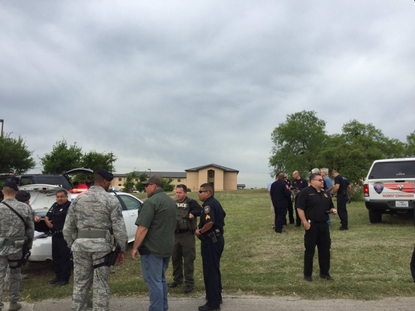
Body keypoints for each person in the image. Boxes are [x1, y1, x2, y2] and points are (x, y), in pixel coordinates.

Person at [63, 169, 128, 311]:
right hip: (102, 249)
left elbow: (68, 227)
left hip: (80, 247)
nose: (109, 185)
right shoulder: (110, 199)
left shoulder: (78, 199)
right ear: (104, 182)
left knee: (80, 284)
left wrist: (72, 244)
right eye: (109, 183)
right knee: (101, 285)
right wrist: (121, 249)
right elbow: (119, 228)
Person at [131, 175, 176, 311]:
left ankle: (156, 308)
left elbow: (143, 228)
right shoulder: (171, 201)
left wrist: (134, 247)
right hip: (166, 247)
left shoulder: (151, 202)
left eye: (147, 185)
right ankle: (163, 307)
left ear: (154, 186)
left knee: (153, 281)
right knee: (161, 279)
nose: (145, 188)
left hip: (152, 249)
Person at [296, 173, 337, 282]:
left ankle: (324, 273)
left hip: (323, 226)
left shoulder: (325, 194)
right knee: (310, 250)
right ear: (312, 181)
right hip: (311, 225)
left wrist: (333, 210)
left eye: (322, 180)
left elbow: (330, 205)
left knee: (325, 250)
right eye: (319, 180)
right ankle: (307, 274)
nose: (322, 181)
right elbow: (300, 208)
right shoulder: (305, 192)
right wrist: (305, 223)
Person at [0, 182, 34, 311]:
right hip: (17, 246)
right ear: (16, 192)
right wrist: (28, 247)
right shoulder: (25, 208)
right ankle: (13, 303)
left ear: (3, 192)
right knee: (15, 274)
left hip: (0, 247)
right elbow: (30, 230)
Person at [195, 183, 226, 311]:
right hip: (217, 239)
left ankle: (213, 304)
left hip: (211, 241)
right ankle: (215, 296)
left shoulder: (208, 205)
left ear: (208, 192)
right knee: (214, 269)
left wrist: (200, 231)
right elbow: (223, 214)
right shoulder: (215, 202)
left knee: (210, 271)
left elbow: (210, 222)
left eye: (200, 191)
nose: (198, 193)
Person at [169, 184, 203, 294]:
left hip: (187, 235)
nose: (178, 195)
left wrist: (193, 213)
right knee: (175, 258)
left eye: (180, 192)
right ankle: (177, 280)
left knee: (188, 259)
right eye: (177, 192)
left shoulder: (191, 202)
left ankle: (189, 283)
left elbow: (200, 210)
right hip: (175, 235)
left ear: (185, 193)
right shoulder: (173, 203)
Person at [45, 190, 72, 286]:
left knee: (65, 258)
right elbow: (47, 216)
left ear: (66, 197)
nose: (59, 199)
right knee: (56, 258)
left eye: (61, 196)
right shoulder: (55, 205)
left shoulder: (70, 206)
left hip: (64, 236)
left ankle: (64, 279)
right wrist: (47, 222)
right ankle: (58, 276)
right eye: (58, 197)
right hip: (55, 236)